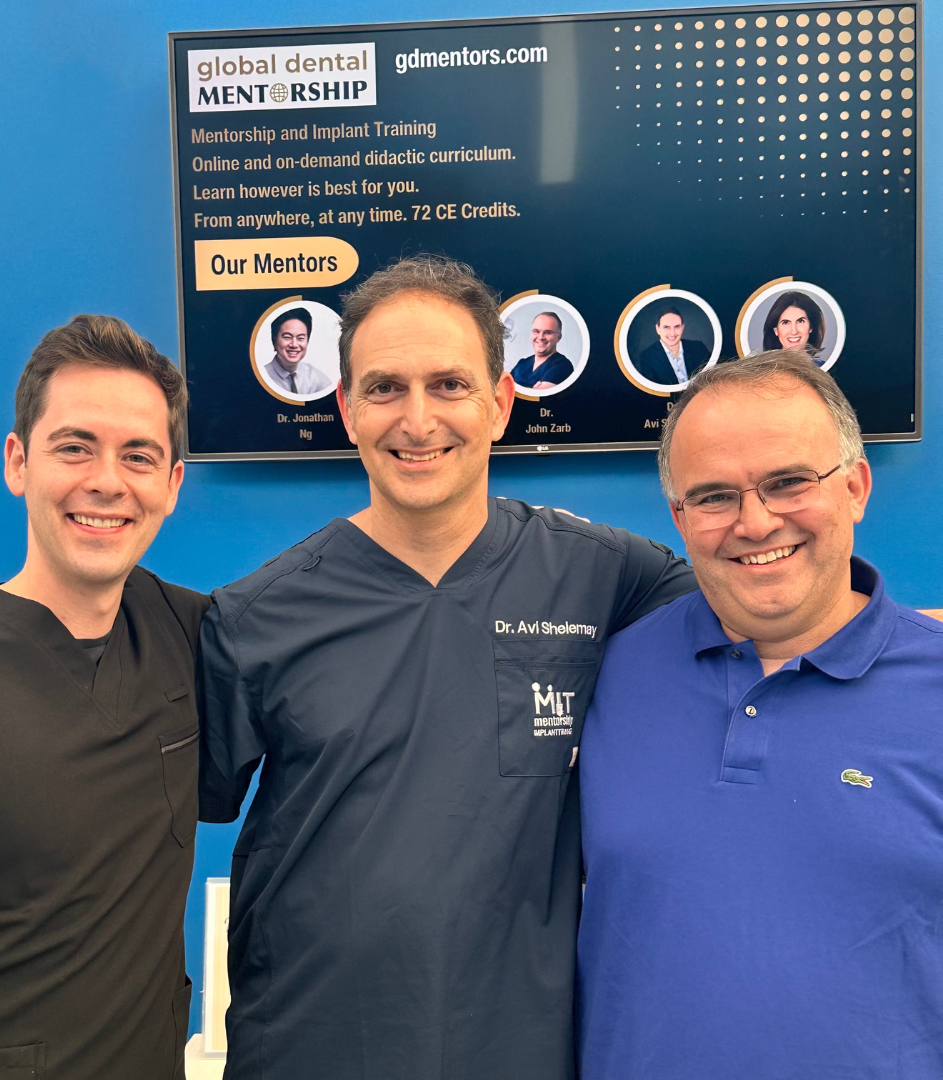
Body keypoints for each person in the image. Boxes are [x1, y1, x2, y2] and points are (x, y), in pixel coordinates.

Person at [199, 255, 697, 1080]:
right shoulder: (257, 617)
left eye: (449, 385)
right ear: (346, 409)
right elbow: (151, 817)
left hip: (522, 1048)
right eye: (385, 388)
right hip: (309, 1044)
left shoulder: (608, 577)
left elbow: (770, 615)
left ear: (500, 402)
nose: (417, 418)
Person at [576, 350, 943, 1078]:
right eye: (714, 496)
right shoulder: (605, 675)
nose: (755, 521)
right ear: (679, 518)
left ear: (855, 487)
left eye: (788, 483)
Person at [0, 316, 209, 1079]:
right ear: (18, 462)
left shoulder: (193, 638)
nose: (107, 481)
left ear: (172, 485)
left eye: (139, 455)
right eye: (75, 447)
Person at [634, 305, 710, 385]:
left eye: (676, 327)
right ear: (658, 329)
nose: (672, 333)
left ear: (682, 328)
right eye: (666, 327)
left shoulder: (698, 347)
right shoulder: (647, 357)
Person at [264, 307, 331, 395]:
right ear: (274, 340)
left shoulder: (314, 377)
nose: (294, 345)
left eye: (300, 338)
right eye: (287, 337)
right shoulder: (263, 376)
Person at [510, 311, 574, 389]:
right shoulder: (522, 364)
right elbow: (503, 389)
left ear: (559, 337)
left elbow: (537, 395)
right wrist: (532, 389)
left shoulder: (563, 366)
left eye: (548, 332)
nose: (540, 337)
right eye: (536, 331)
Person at [762, 289, 826, 363]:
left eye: (800, 321)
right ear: (776, 330)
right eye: (786, 322)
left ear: (811, 327)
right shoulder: (762, 369)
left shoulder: (823, 367)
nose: (794, 331)